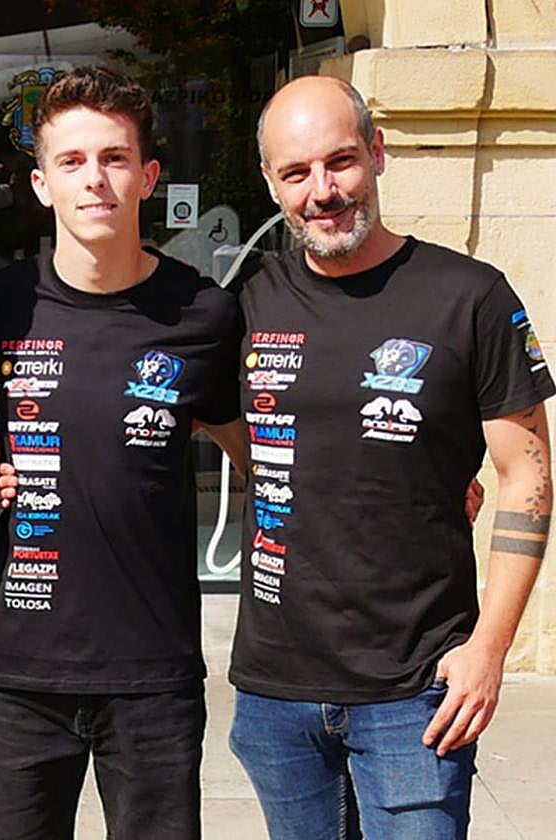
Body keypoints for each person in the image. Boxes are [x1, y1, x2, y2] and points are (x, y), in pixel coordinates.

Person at [224, 76, 553, 839]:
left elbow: (527, 479)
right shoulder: (248, 301)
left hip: (417, 689)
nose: (323, 191)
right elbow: (205, 427)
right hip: (277, 691)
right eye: (296, 172)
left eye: (340, 161)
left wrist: (490, 650)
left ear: (376, 152)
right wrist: (7, 464)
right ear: (271, 182)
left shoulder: (471, 297)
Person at [0, 66, 246, 840]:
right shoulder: (1, 306)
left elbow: (264, 455)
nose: (95, 179)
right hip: (23, 672)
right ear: (41, 185)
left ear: (149, 176)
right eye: (72, 161)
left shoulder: (204, 315)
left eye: (114, 158)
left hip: (154, 674)